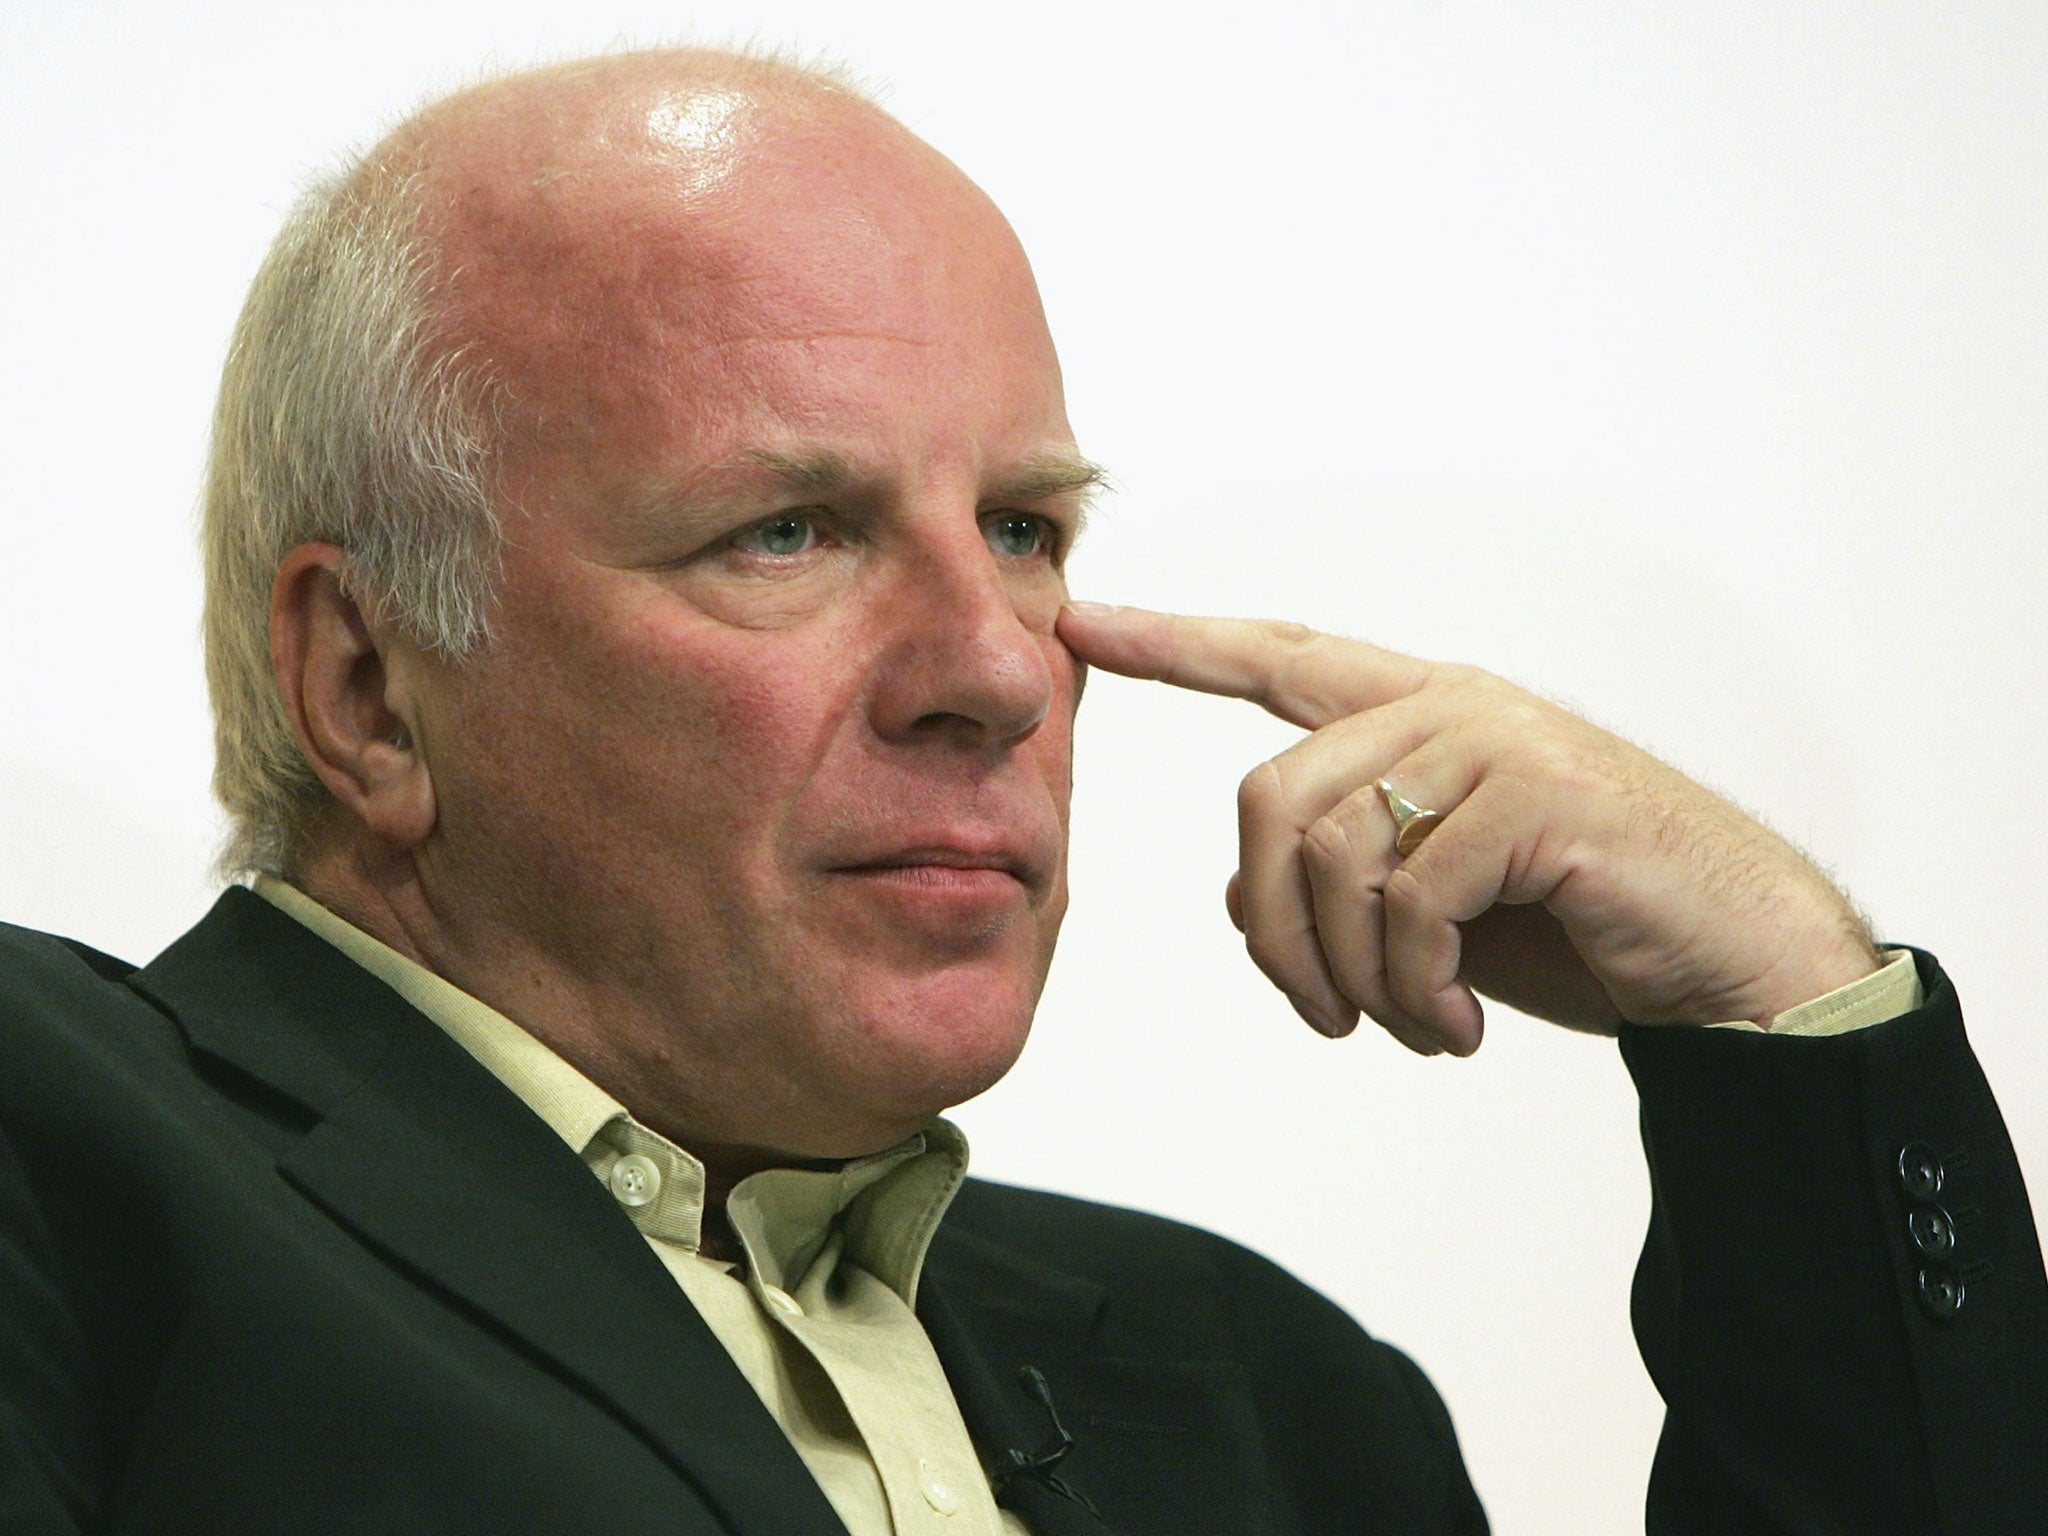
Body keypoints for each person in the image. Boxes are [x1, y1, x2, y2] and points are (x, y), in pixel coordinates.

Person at [0, 45, 2041, 1536]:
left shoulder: (1270, 1401)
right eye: (787, 529)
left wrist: (1777, 1009)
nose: (997, 667)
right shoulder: (58, 1150)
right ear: (365, 685)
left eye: (1028, 527)